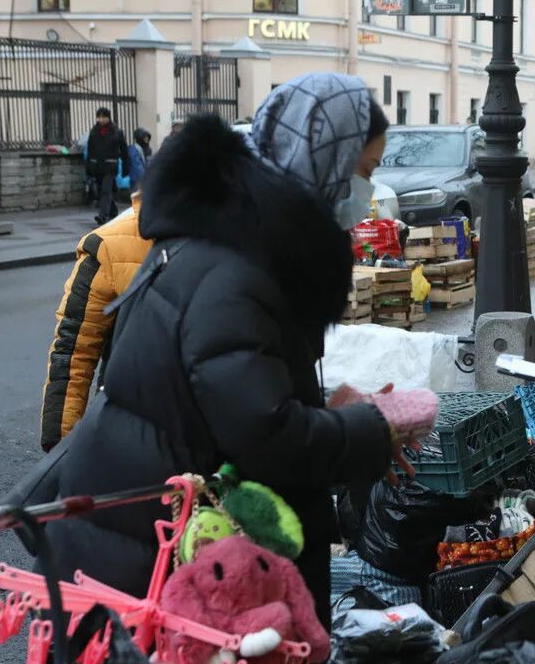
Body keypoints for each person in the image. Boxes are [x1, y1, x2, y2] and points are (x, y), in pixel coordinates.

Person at [26, 74, 419, 630]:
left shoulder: (236, 244)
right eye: (366, 173)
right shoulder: (238, 269)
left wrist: (334, 411)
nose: (367, 194)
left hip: (167, 551)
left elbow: (228, 398)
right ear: (323, 160)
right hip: (161, 574)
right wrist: (375, 430)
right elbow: (266, 438)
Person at [39, 190, 151, 452]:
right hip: (130, 429)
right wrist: (60, 445)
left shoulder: (247, 239)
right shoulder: (107, 245)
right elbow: (74, 346)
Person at [85, 107, 130, 225]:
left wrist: (126, 167)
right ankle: (113, 210)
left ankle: (102, 215)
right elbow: (90, 150)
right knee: (102, 190)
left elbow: (124, 151)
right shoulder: (94, 132)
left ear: (108, 118)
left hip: (111, 166)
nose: (101, 119)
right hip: (98, 166)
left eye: (103, 117)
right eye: (99, 117)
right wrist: (89, 166)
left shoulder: (116, 132)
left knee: (105, 190)